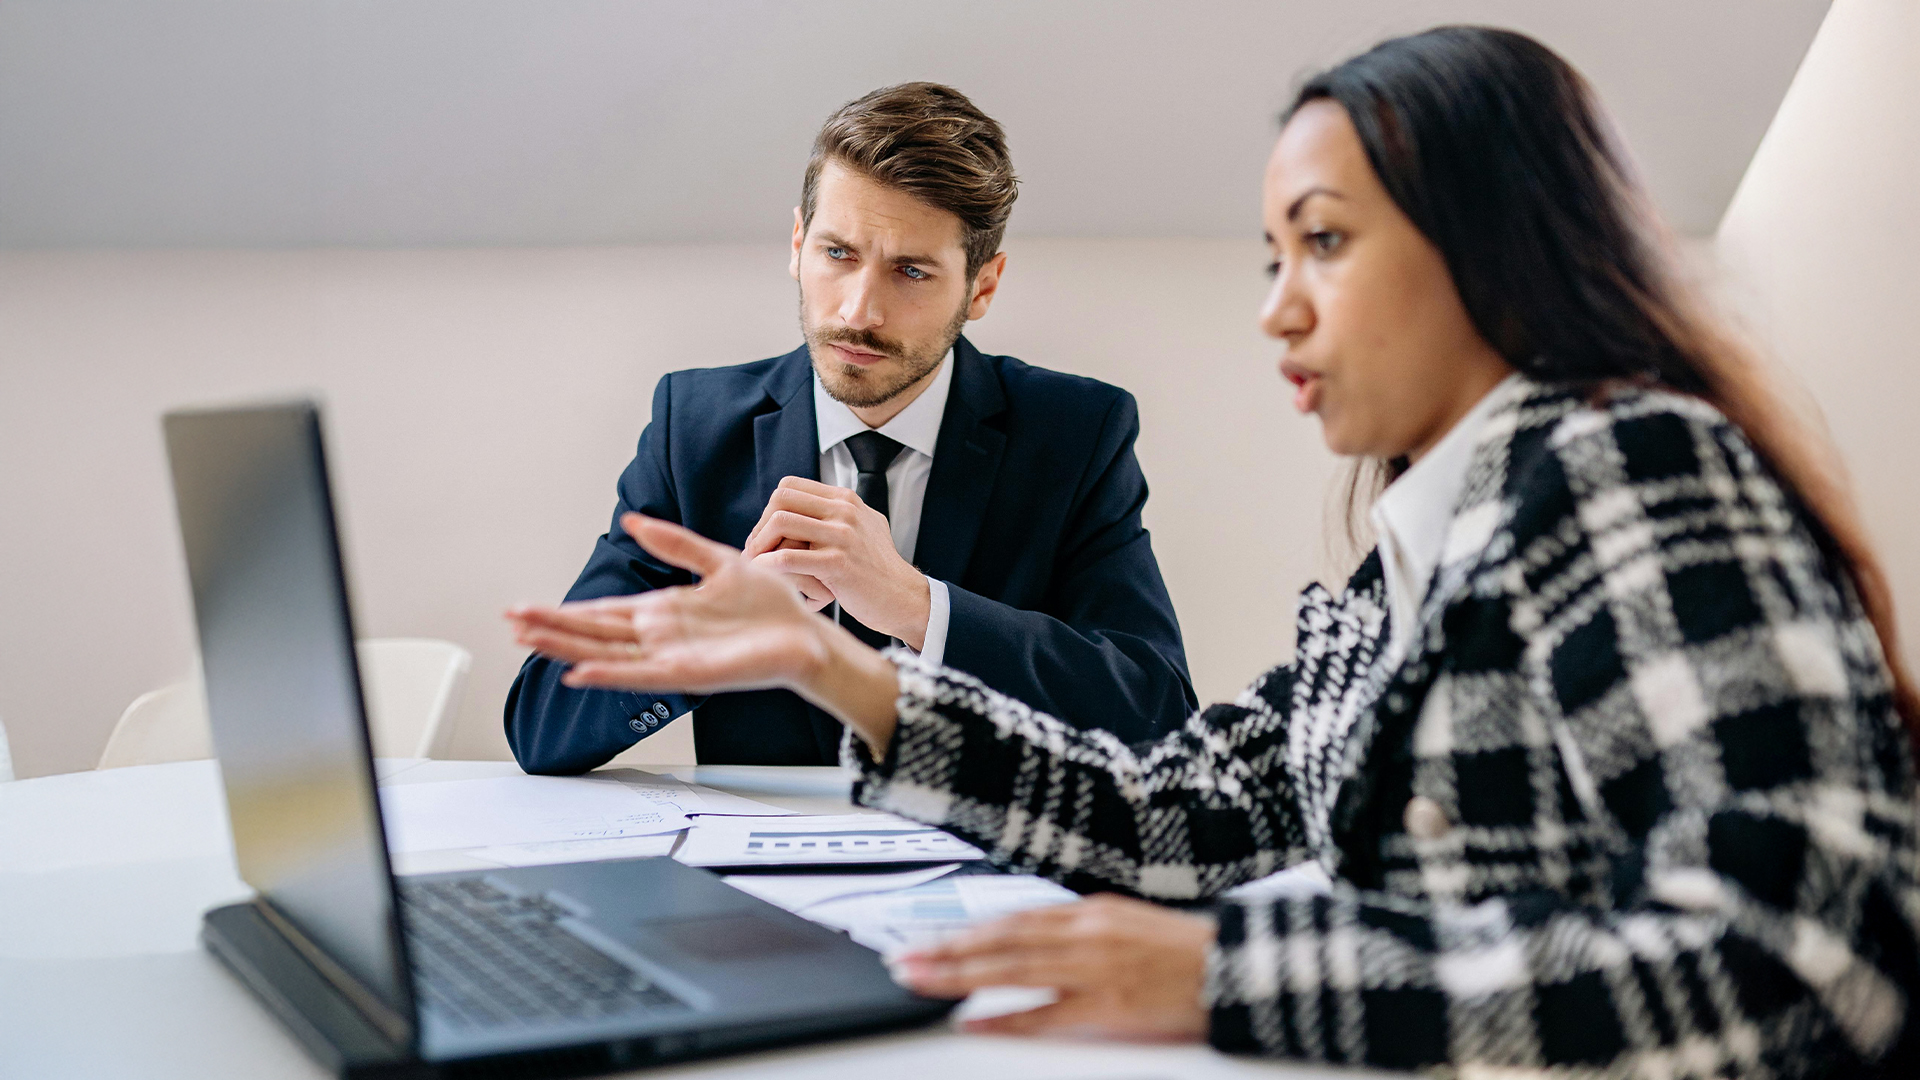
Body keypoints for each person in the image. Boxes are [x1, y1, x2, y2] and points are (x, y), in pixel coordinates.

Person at [507, 27, 1920, 1078]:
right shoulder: (1414, 558)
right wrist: (838, 671)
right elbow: (1180, 814)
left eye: (1324, 245)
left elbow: (1807, 968)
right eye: (1269, 258)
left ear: (1494, 248)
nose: (1275, 312)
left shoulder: (1637, 478)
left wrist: (1237, 973)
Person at [506, 82, 1195, 770]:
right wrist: (707, 641)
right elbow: (540, 726)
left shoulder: (1076, 434)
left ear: (982, 287)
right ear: (798, 243)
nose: (859, 311)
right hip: (759, 873)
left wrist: (918, 607)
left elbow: (1159, 715)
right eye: (838, 254)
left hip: (985, 861)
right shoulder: (693, 427)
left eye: (911, 271)